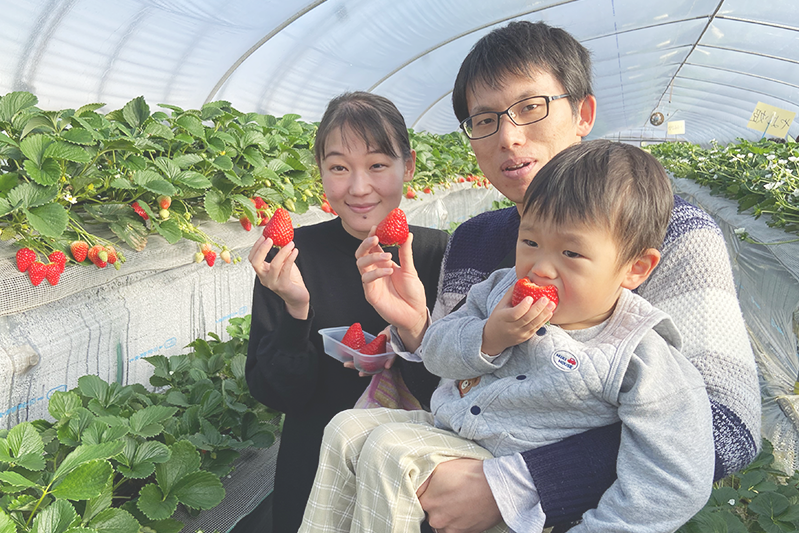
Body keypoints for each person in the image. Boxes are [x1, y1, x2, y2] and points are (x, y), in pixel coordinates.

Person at [353, 20, 761, 532]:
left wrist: (517, 487)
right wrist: (416, 329)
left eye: (530, 107)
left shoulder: (674, 232)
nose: (509, 137)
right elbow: (466, 390)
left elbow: (727, 425)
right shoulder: (472, 239)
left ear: (582, 113)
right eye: (484, 119)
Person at [300, 140, 715, 533]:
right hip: (454, 432)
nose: (541, 268)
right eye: (530, 241)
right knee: (345, 428)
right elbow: (437, 353)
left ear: (636, 269)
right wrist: (488, 337)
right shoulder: (498, 290)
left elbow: (677, 476)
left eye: (571, 253)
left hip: (515, 475)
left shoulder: (634, 352)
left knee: (390, 448)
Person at [245, 91, 448, 532]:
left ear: (408, 166)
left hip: (416, 482)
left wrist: (413, 333)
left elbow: (465, 393)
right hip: (313, 470)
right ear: (320, 171)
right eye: (339, 167)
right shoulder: (291, 257)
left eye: (377, 165)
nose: (358, 188)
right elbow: (275, 394)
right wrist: (297, 310)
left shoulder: (441, 254)